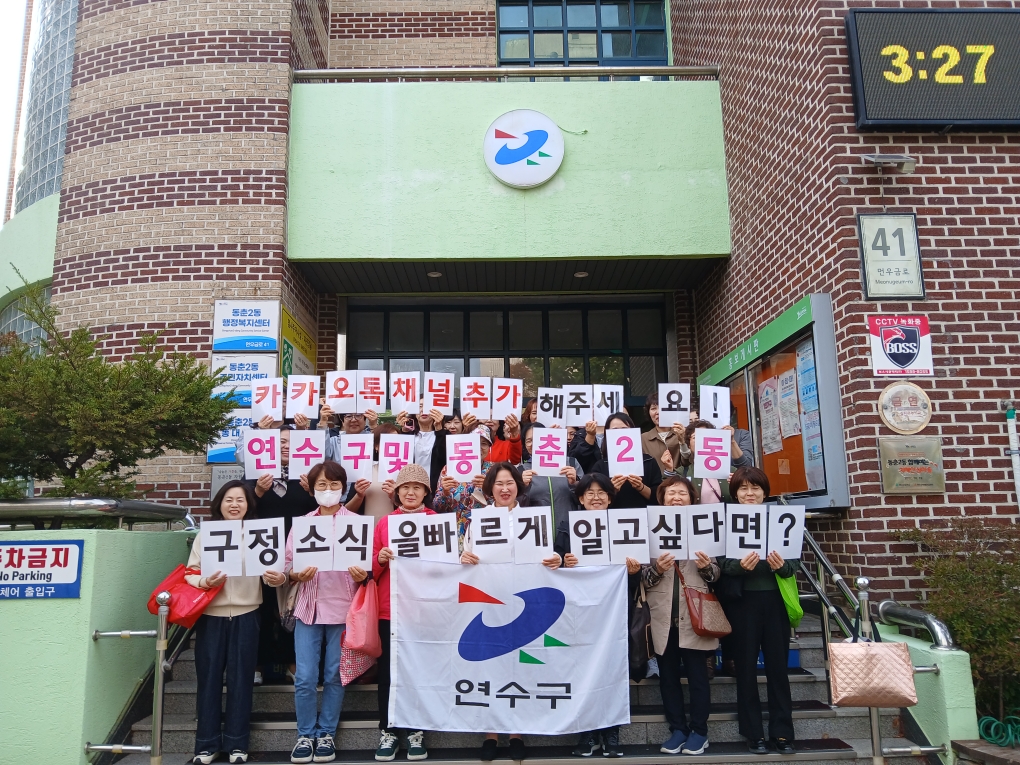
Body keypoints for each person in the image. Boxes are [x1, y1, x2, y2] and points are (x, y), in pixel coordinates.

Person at [460, 463, 561, 762]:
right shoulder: (478, 520)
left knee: (521, 666)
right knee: (489, 666)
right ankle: (490, 733)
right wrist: (464, 558)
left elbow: (549, 554)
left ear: (519, 485)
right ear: (489, 488)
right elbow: (467, 556)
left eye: (510, 483)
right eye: (498, 483)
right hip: (489, 601)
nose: (505, 488)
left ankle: (517, 731)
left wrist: (554, 558)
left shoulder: (534, 518)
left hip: (527, 601)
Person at [187, 481, 286, 765]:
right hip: (211, 616)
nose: (234, 505)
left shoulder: (259, 534)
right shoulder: (205, 536)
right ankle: (206, 745)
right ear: (219, 504)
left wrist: (276, 578)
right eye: (228, 499)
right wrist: (206, 581)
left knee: (241, 680)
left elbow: (274, 571)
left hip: (247, 613)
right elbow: (190, 573)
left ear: (248, 505)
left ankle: (237, 745)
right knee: (208, 680)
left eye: (240, 500)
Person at [285, 461, 369, 764]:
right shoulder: (304, 523)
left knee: (335, 675)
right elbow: (286, 565)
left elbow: (368, 570)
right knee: (305, 677)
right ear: (312, 488)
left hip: (344, 610)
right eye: (322, 485)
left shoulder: (357, 522)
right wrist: (296, 575)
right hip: (309, 607)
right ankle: (305, 735)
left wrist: (362, 575)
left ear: (344, 488)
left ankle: (326, 733)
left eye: (334, 485)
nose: (328, 490)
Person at [555, 473, 639, 758]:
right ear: (579, 498)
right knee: (582, 668)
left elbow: (639, 566)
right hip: (580, 609)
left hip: (615, 608)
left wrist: (633, 569)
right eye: (588, 493)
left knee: (614, 666)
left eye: (601, 492)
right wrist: (564, 562)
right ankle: (587, 733)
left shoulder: (624, 525)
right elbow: (555, 562)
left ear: (610, 498)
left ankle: (612, 732)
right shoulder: (567, 525)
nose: (595, 497)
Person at [721, 467, 798, 755]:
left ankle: (782, 732)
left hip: (775, 601)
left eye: (755, 488)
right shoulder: (727, 520)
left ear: (765, 492)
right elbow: (721, 566)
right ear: (735, 492)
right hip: (742, 605)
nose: (749, 493)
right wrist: (738, 567)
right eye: (743, 488)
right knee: (746, 670)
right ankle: (753, 733)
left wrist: (781, 566)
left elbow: (793, 565)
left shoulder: (780, 520)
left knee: (778, 668)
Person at [643, 476, 720, 756]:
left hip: (694, 613)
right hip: (663, 613)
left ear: (692, 498)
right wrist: (658, 570)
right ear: (661, 499)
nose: (676, 498)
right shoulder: (651, 529)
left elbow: (716, 574)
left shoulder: (704, 526)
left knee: (699, 675)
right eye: (670, 493)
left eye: (682, 494)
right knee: (668, 676)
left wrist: (705, 566)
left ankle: (700, 731)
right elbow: (643, 578)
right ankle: (678, 728)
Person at [245, 425, 318, 684]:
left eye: (291, 441)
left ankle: (293, 662)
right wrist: (258, 492)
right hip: (262, 548)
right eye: (281, 442)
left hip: (299, 549)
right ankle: (258, 664)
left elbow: (321, 513)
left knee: (294, 607)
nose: (286, 446)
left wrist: (312, 492)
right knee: (262, 606)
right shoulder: (255, 475)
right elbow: (239, 510)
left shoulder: (308, 475)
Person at [372, 464, 436, 762]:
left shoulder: (437, 521)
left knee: (420, 670)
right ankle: (387, 730)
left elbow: (446, 566)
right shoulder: (384, 523)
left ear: (426, 492)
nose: (411, 492)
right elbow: (367, 571)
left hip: (424, 609)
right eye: (405, 488)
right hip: (390, 609)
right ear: (396, 493)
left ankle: (415, 731)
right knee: (388, 672)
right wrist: (381, 559)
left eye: (417, 487)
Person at [432, 424, 496, 545]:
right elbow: (437, 507)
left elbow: (503, 505)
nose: (479, 447)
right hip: (454, 533)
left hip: (486, 531)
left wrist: (488, 490)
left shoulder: (494, 470)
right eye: (475, 442)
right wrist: (445, 493)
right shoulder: (449, 469)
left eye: (484, 443)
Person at [590, 413, 662, 509]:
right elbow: (594, 501)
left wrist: (641, 487)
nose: (620, 433)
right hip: (612, 518)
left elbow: (659, 497)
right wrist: (612, 489)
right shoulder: (600, 466)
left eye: (624, 429)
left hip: (643, 517)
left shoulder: (649, 461)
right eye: (614, 430)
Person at [519, 422, 581, 529]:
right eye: (529, 440)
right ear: (524, 445)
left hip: (568, 531)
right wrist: (523, 488)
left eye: (538, 438)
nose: (534, 443)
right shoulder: (521, 470)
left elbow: (585, 499)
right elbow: (516, 506)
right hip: (536, 532)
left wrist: (574, 484)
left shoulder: (571, 463)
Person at [394, 403, 448, 491]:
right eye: (420, 406)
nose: (423, 409)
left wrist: (439, 430)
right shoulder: (408, 434)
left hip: (437, 489)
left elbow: (444, 458)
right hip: (410, 489)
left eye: (428, 406)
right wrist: (404, 431)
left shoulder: (443, 435)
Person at [682, 420, 732, 503]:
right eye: (695, 437)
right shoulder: (683, 472)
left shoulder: (731, 471)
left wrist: (737, 484)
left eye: (705, 435)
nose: (701, 440)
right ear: (689, 445)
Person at [641, 393, 686, 475]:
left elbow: (687, 461)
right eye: (653, 408)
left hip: (678, 484)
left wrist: (682, 441)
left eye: (662, 408)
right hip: (654, 486)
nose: (658, 412)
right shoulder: (643, 439)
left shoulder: (681, 432)